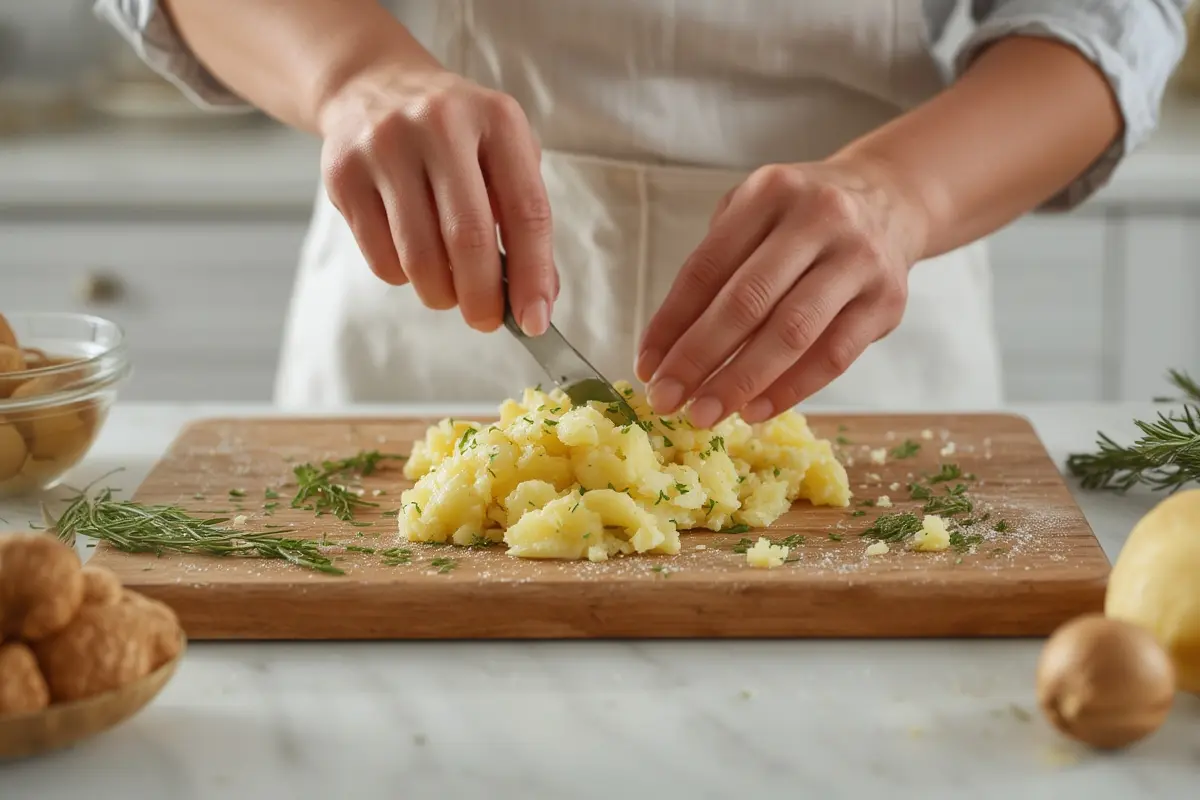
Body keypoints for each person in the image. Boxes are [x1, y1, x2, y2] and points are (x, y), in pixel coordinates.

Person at [97, 1, 1188, 427]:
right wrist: (355, 73)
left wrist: (905, 193)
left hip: (860, 343)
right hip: (422, 317)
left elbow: (1113, 17)